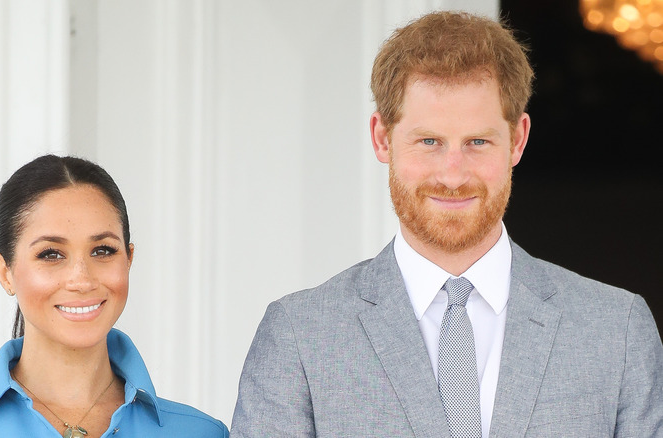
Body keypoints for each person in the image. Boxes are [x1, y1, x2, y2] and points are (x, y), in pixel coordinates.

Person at [230, 11, 663, 438]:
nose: (453, 176)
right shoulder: (300, 336)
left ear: (517, 140)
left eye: (477, 141)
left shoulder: (617, 332)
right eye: (429, 141)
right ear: (383, 138)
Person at [0, 155, 228, 437]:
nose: (81, 280)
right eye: (51, 254)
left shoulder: (203, 433)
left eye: (103, 250)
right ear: (5, 271)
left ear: (129, 259)